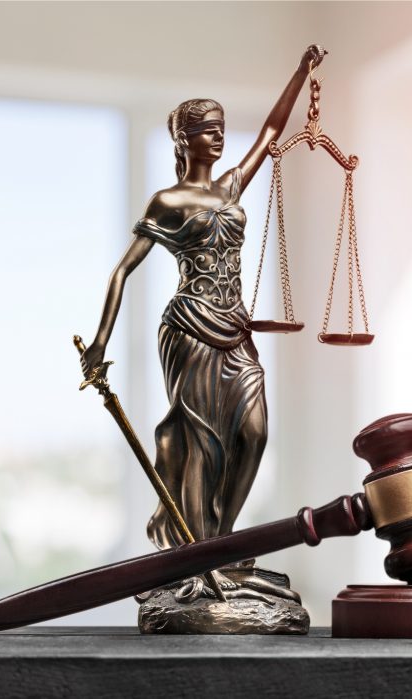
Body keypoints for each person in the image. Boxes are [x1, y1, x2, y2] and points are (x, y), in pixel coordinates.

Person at [81, 45, 325, 597]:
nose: (218, 137)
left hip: (234, 328)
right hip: (190, 327)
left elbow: (269, 131)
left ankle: (226, 542)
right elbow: (123, 271)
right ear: (183, 140)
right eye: (207, 130)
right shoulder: (167, 200)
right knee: (202, 446)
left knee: (255, 432)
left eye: (220, 128)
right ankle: (200, 556)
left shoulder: (231, 186)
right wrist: (99, 344)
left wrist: (300, 71)